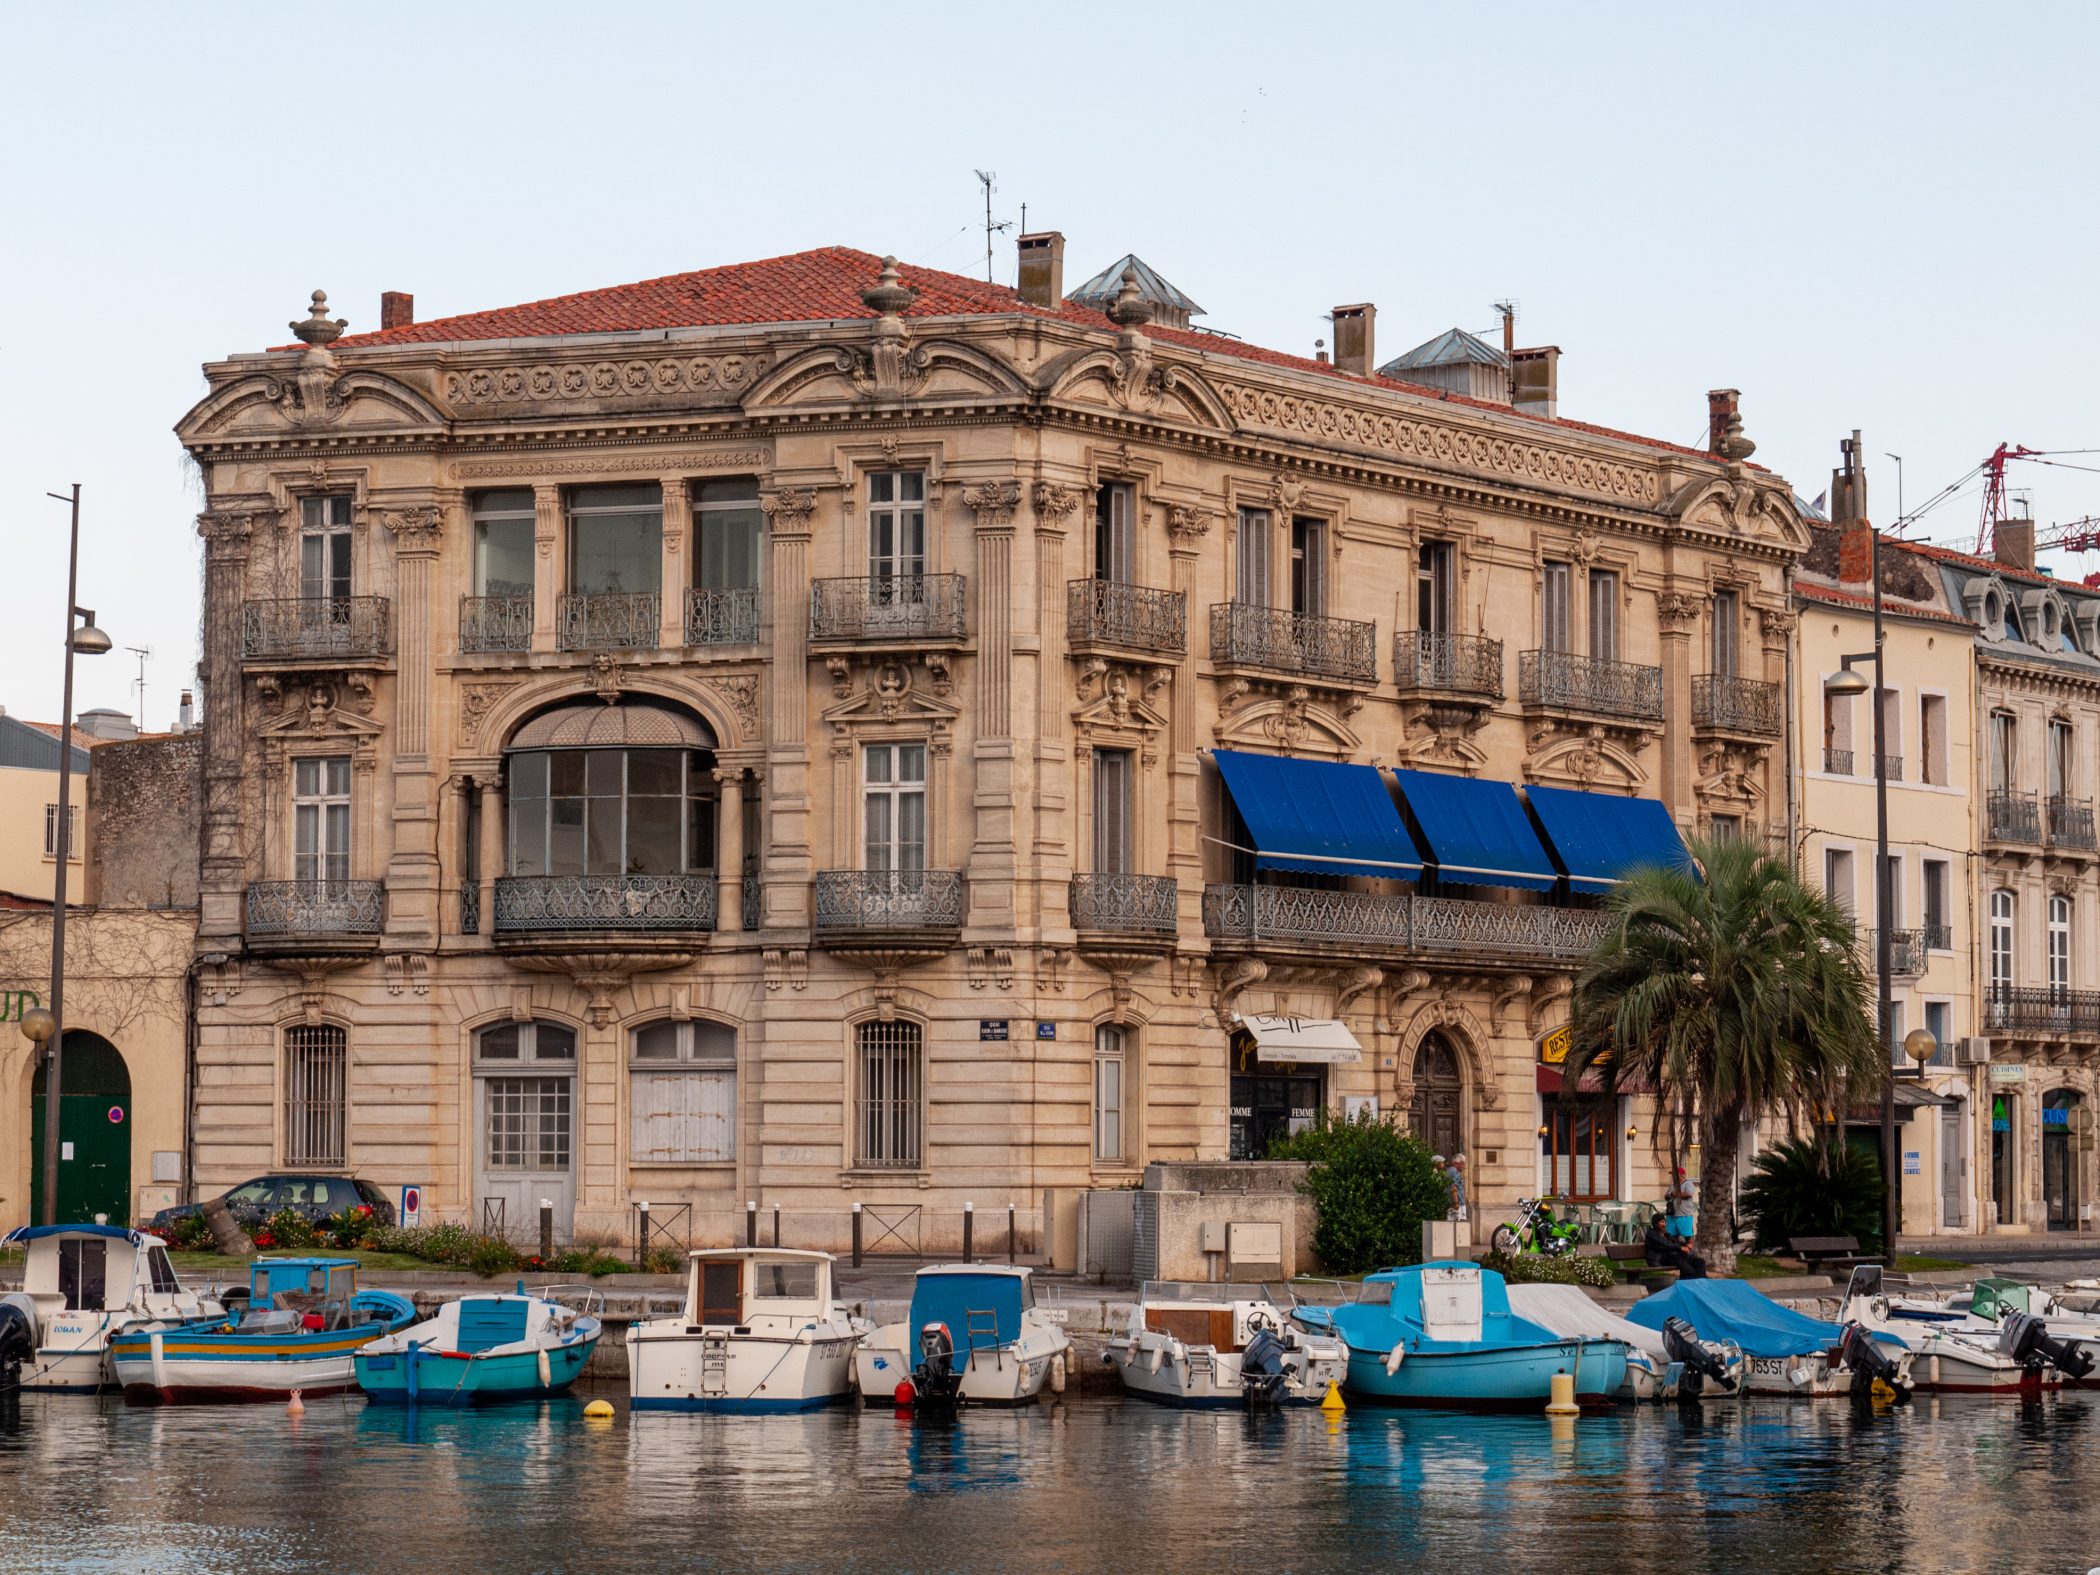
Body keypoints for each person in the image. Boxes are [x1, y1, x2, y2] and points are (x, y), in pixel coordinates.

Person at [1643, 1211, 1708, 1278]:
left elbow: (1676, 1242)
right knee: (1684, 1263)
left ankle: (1701, 1279)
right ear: (1656, 1223)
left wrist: (1686, 1244)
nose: (1664, 1224)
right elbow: (1665, 1244)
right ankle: (1695, 1278)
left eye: (1665, 1222)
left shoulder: (1665, 1234)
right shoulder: (1651, 1234)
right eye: (1662, 1222)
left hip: (1672, 1257)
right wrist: (1680, 1248)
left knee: (1700, 1262)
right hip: (1660, 1259)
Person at [1667, 1167, 1698, 1241]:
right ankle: (1675, 1248)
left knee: (1688, 1236)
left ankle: (1690, 1248)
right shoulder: (1672, 1185)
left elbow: (1689, 1194)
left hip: (1684, 1215)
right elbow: (1667, 1195)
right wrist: (1668, 1196)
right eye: (1672, 1175)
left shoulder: (1688, 1183)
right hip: (1672, 1215)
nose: (1673, 1177)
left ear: (1682, 1175)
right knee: (1671, 1236)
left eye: (1675, 1174)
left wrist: (1676, 1194)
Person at [1448, 1154, 1469, 1223]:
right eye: (1462, 1164)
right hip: (1457, 1205)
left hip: (1453, 1204)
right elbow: (1453, 1188)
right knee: (1460, 1226)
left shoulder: (1450, 1171)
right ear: (1456, 1163)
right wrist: (1456, 1203)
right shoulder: (1454, 1172)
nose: (1464, 1167)